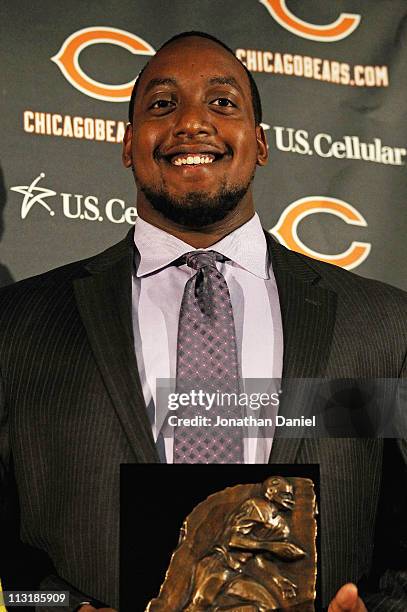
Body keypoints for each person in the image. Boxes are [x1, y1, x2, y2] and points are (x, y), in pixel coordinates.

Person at [0, 31, 406, 612]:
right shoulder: (18, 326)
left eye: (222, 103)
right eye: (162, 105)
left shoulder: (382, 327)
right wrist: (54, 607)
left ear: (260, 143)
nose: (192, 123)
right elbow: (9, 568)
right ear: (127, 144)